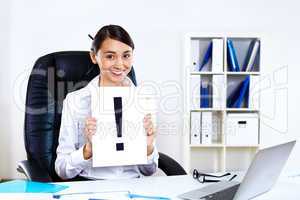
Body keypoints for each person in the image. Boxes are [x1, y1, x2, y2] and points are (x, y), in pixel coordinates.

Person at [55, 25, 159, 180]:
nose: (119, 64)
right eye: (110, 56)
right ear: (94, 57)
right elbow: (62, 170)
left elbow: (149, 171)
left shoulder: (142, 99)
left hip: (132, 189)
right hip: (90, 187)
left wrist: (148, 148)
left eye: (126, 56)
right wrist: (88, 150)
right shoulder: (75, 101)